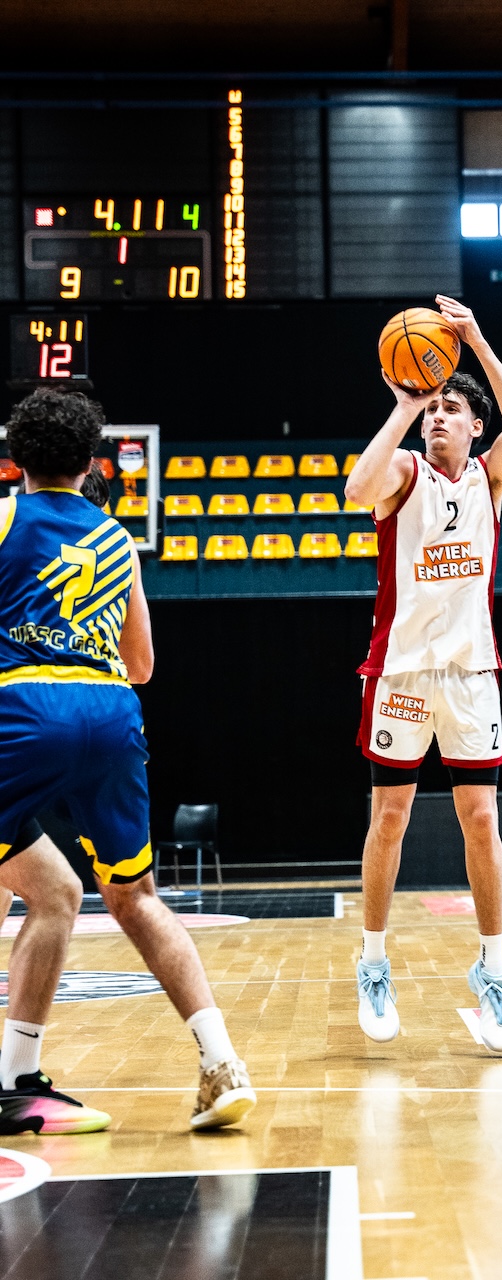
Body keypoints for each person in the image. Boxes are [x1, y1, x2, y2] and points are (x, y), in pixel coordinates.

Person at [0, 387, 255, 1134]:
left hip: (25, 705)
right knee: (94, 894)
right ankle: (218, 1061)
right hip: (112, 713)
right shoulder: (116, 538)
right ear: (90, 462)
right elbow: (141, 662)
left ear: (14, 458)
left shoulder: (7, 517)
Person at [346, 293, 502, 1053]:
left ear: (474, 425)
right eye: (434, 409)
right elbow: (356, 489)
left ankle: (491, 968)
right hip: (400, 673)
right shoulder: (401, 474)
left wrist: (475, 343)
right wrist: (403, 404)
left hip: (469, 673)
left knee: (480, 818)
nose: (439, 416)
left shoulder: (490, 479)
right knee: (388, 817)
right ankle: (372, 960)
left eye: (450, 407)